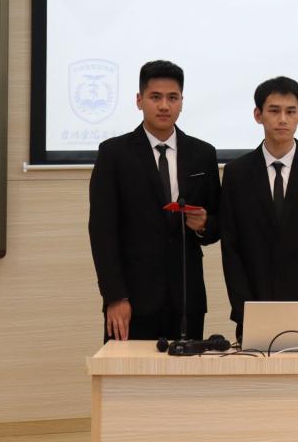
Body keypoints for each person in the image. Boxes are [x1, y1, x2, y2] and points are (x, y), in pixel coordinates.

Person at [88, 60, 220, 341]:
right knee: (125, 370)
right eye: (155, 97)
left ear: (181, 102)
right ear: (139, 100)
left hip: (186, 300)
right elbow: (102, 231)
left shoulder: (203, 154)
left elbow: (218, 223)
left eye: (172, 98)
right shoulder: (114, 154)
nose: (164, 106)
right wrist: (115, 297)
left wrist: (204, 224)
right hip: (132, 301)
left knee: (186, 370)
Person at [220, 76, 298, 339]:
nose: (283, 120)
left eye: (291, 112)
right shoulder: (236, 173)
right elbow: (231, 248)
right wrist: (244, 309)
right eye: (274, 111)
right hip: (254, 310)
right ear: (258, 115)